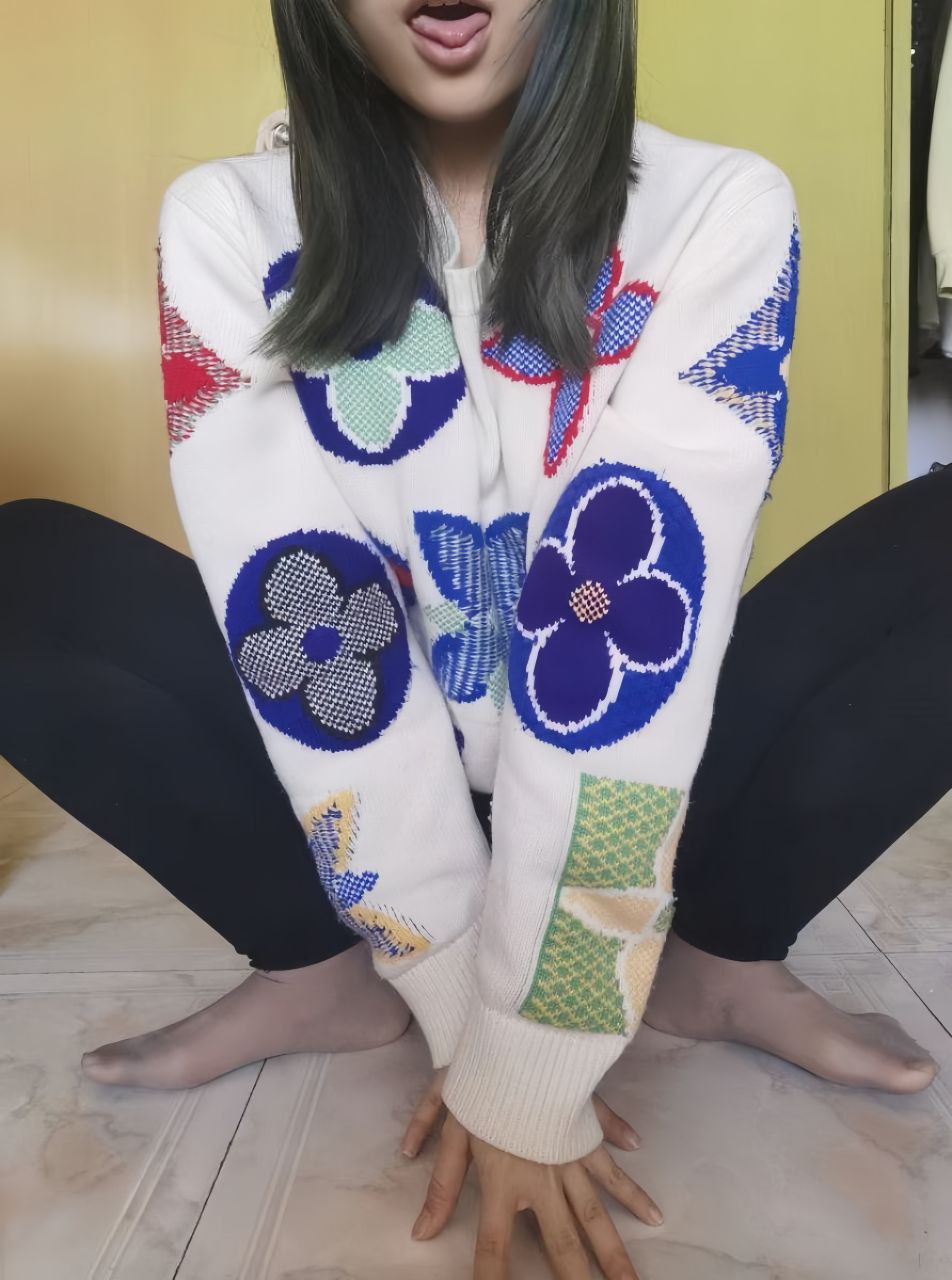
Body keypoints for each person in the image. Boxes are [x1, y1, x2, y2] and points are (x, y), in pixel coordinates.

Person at [1, 2, 946, 1276]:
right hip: (356, 785)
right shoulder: (229, 221)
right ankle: (326, 969)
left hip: (652, 778)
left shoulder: (719, 205)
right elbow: (310, 626)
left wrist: (541, 1041)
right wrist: (462, 1008)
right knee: (31, 571)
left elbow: (622, 654)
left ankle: (711, 957)